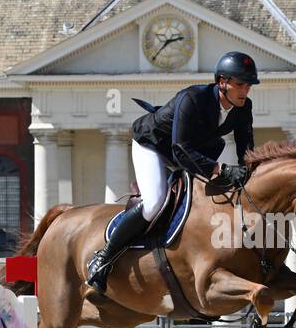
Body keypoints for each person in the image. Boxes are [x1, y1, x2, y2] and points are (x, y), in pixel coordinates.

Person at [87, 51, 259, 292]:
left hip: (193, 150)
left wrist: (250, 175)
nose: (245, 90)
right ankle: (103, 258)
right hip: (153, 144)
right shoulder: (193, 98)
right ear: (222, 82)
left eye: (249, 85)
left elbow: (247, 151)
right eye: (240, 84)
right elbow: (180, 150)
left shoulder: (243, 107)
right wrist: (220, 169)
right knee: (155, 202)